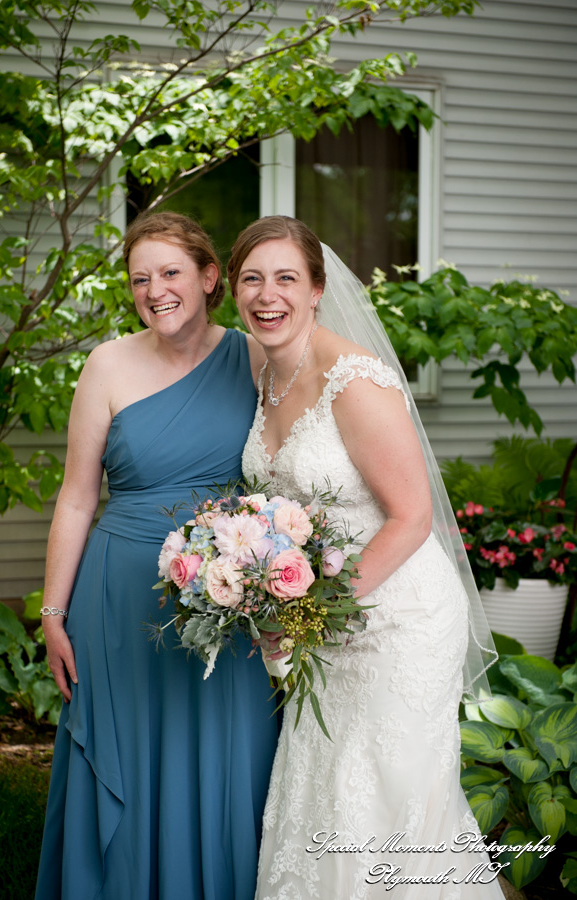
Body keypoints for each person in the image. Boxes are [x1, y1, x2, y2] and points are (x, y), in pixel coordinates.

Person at [227, 216, 504, 899]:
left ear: (318, 289)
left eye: (287, 278)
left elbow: (413, 517)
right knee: (319, 791)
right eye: (252, 279)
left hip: (399, 620)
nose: (268, 294)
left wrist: (312, 613)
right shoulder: (261, 366)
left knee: (389, 800)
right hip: (323, 623)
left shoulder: (356, 380)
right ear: (232, 289)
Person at [35, 212, 279, 900]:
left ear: (208, 278)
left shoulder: (254, 356)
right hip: (118, 596)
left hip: (228, 590)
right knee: (130, 761)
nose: (155, 290)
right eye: (141, 278)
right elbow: (78, 497)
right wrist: (54, 612)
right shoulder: (106, 364)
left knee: (228, 759)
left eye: (171, 273)